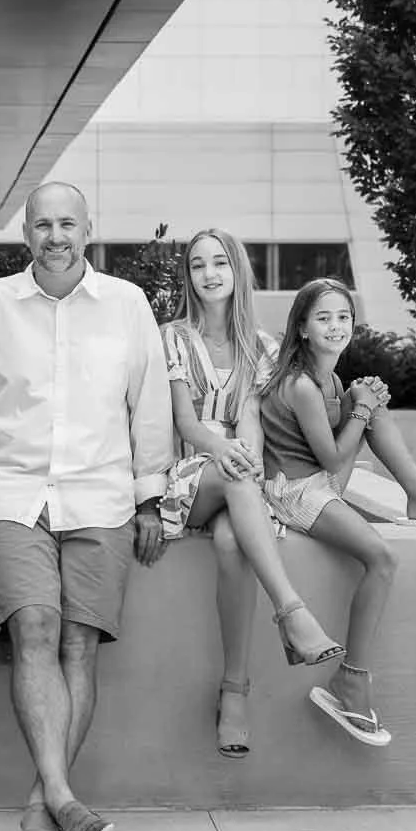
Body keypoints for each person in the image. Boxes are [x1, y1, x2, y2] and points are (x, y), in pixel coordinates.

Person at [0, 182, 173, 831]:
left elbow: (149, 406)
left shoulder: (126, 305)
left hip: (101, 497)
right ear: (26, 234)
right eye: (42, 225)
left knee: (78, 643)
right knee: (35, 631)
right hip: (13, 496)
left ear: (87, 230)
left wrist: (150, 497)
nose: (55, 237)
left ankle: (44, 802)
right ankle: (64, 799)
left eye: (67, 224)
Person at [258, 278, 416, 747]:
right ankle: (351, 679)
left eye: (343, 317)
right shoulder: (301, 384)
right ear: (302, 328)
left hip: (318, 483)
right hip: (294, 493)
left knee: (372, 404)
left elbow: (335, 454)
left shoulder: (329, 379)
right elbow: (332, 460)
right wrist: (360, 409)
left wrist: (361, 400)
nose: (335, 326)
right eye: (323, 318)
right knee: (382, 559)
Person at [158, 228, 343, 760]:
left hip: (238, 471)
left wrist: (250, 459)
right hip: (188, 472)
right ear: (189, 276)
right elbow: (186, 423)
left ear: (237, 270)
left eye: (220, 262)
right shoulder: (172, 337)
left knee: (230, 543)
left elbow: (251, 420)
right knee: (236, 478)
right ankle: (291, 611)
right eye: (198, 265)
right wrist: (227, 453)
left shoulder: (262, 346)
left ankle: (233, 691)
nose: (209, 274)